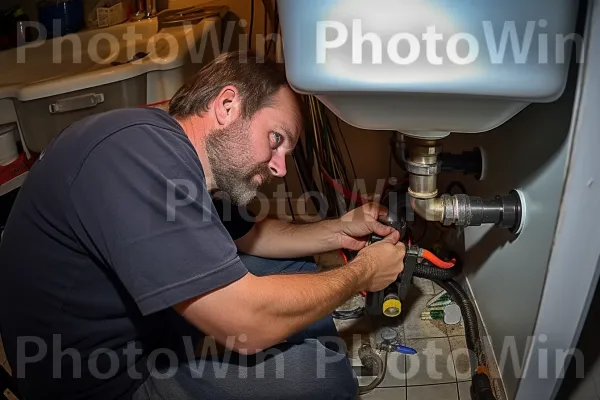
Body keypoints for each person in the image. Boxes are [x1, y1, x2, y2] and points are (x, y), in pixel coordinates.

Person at [0, 51, 406, 400]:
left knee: (296, 268)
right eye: (276, 139)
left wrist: (339, 229)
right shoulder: (139, 158)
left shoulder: (173, 151)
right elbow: (245, 323)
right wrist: (363, 272)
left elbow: (253, 236)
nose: (280, 167)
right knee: (323, 377)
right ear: (227, 106)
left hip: (144, 326)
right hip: (105, 384)